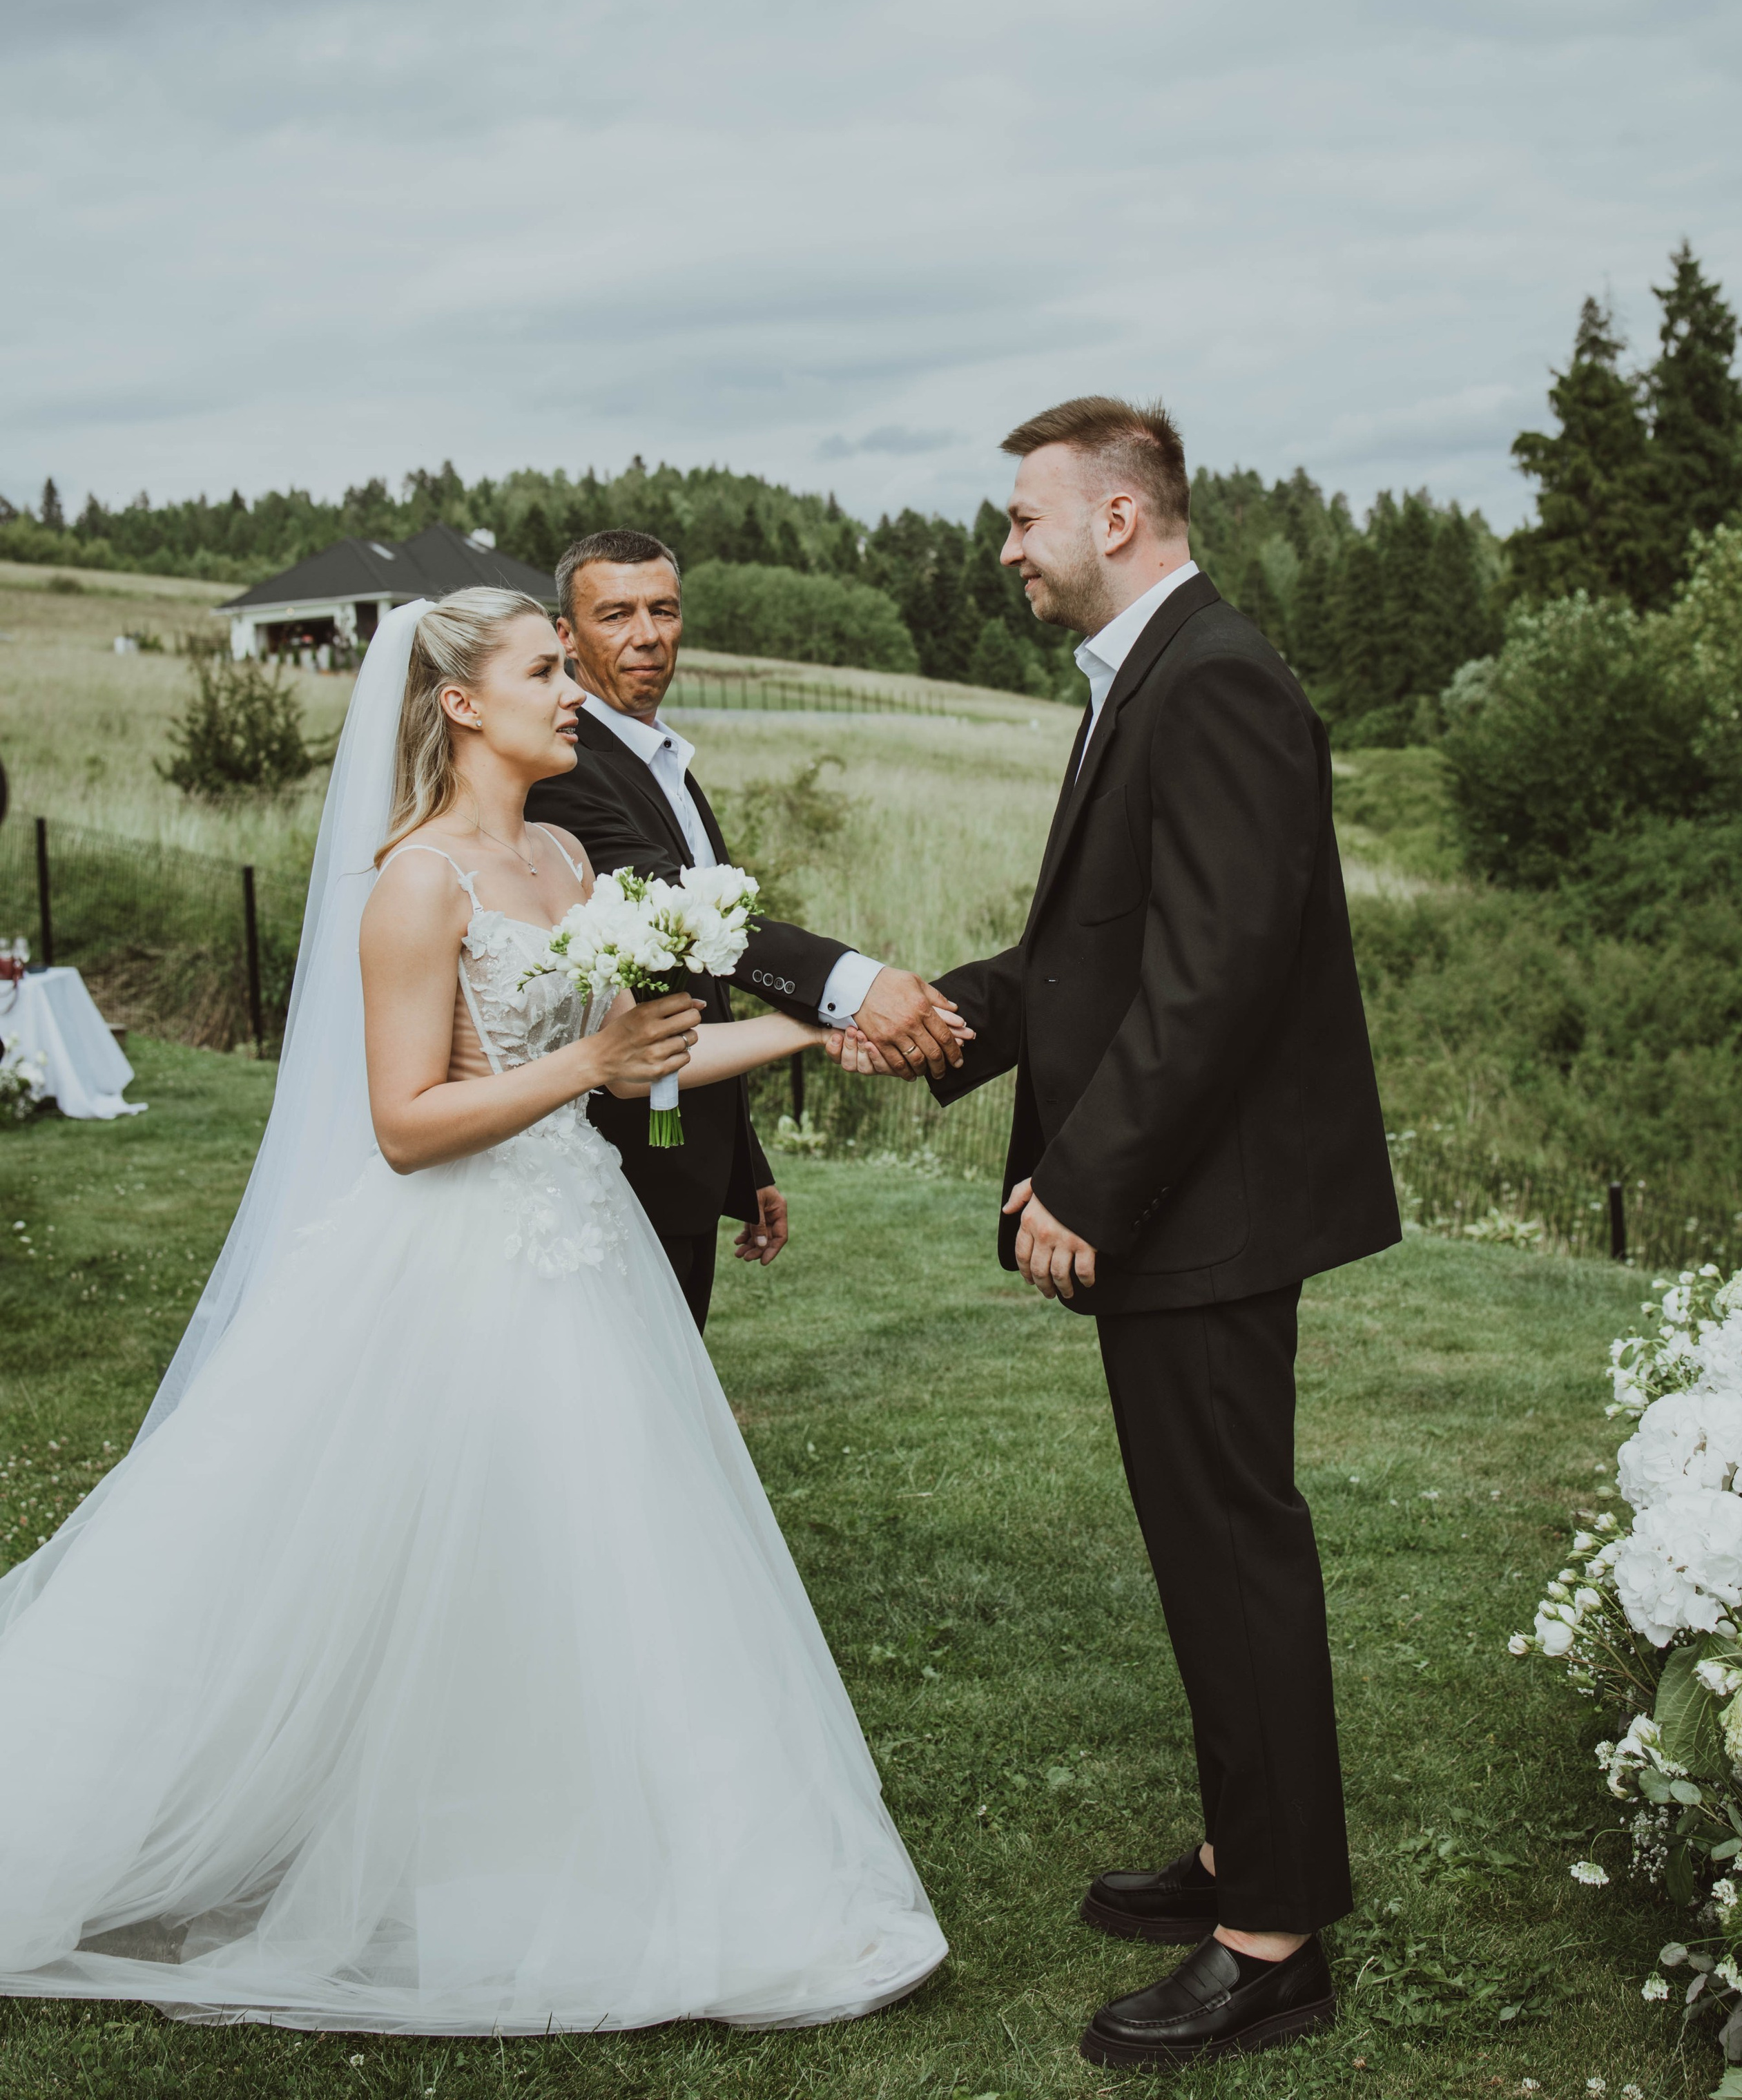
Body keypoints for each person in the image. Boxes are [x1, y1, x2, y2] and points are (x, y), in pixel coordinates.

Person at [0, 590, 947, 2034]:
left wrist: (824, 1026)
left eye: (568, 671)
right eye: (544, 670)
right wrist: (594, 1069)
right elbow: (405, 1121)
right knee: (354, 1556)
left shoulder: (567, 853)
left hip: (581, 1242)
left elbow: (643, 1065)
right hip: (450, 1258)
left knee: (599, 1550)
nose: (571, 692)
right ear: (460, 704)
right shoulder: (415, 882)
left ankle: (604, 1859)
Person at [929, 397, 1399, 2072]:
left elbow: (1211, 980)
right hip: (1187, 1197)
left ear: (1115, 518)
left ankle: (1270, 1939)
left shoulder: (1211, 681)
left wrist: (1080, 1181)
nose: (1006, 547)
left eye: (1022, 517)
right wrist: (943, 1017)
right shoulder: (1158, 673)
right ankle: (1239, 1846)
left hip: (1207, 1206)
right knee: (1204, 1548)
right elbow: (1104, 956)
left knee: (1229, 1547)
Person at [526, 529, 968, 1329]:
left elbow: (705, 991)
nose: (647, 636)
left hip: (689, 1159)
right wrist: (851, 988)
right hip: (617, 1166)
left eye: (663, 610)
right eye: (616, 614)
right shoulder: (563, 769)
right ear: (566, 635)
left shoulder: (664, 764)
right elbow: (682, 920)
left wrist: (743, 1164)